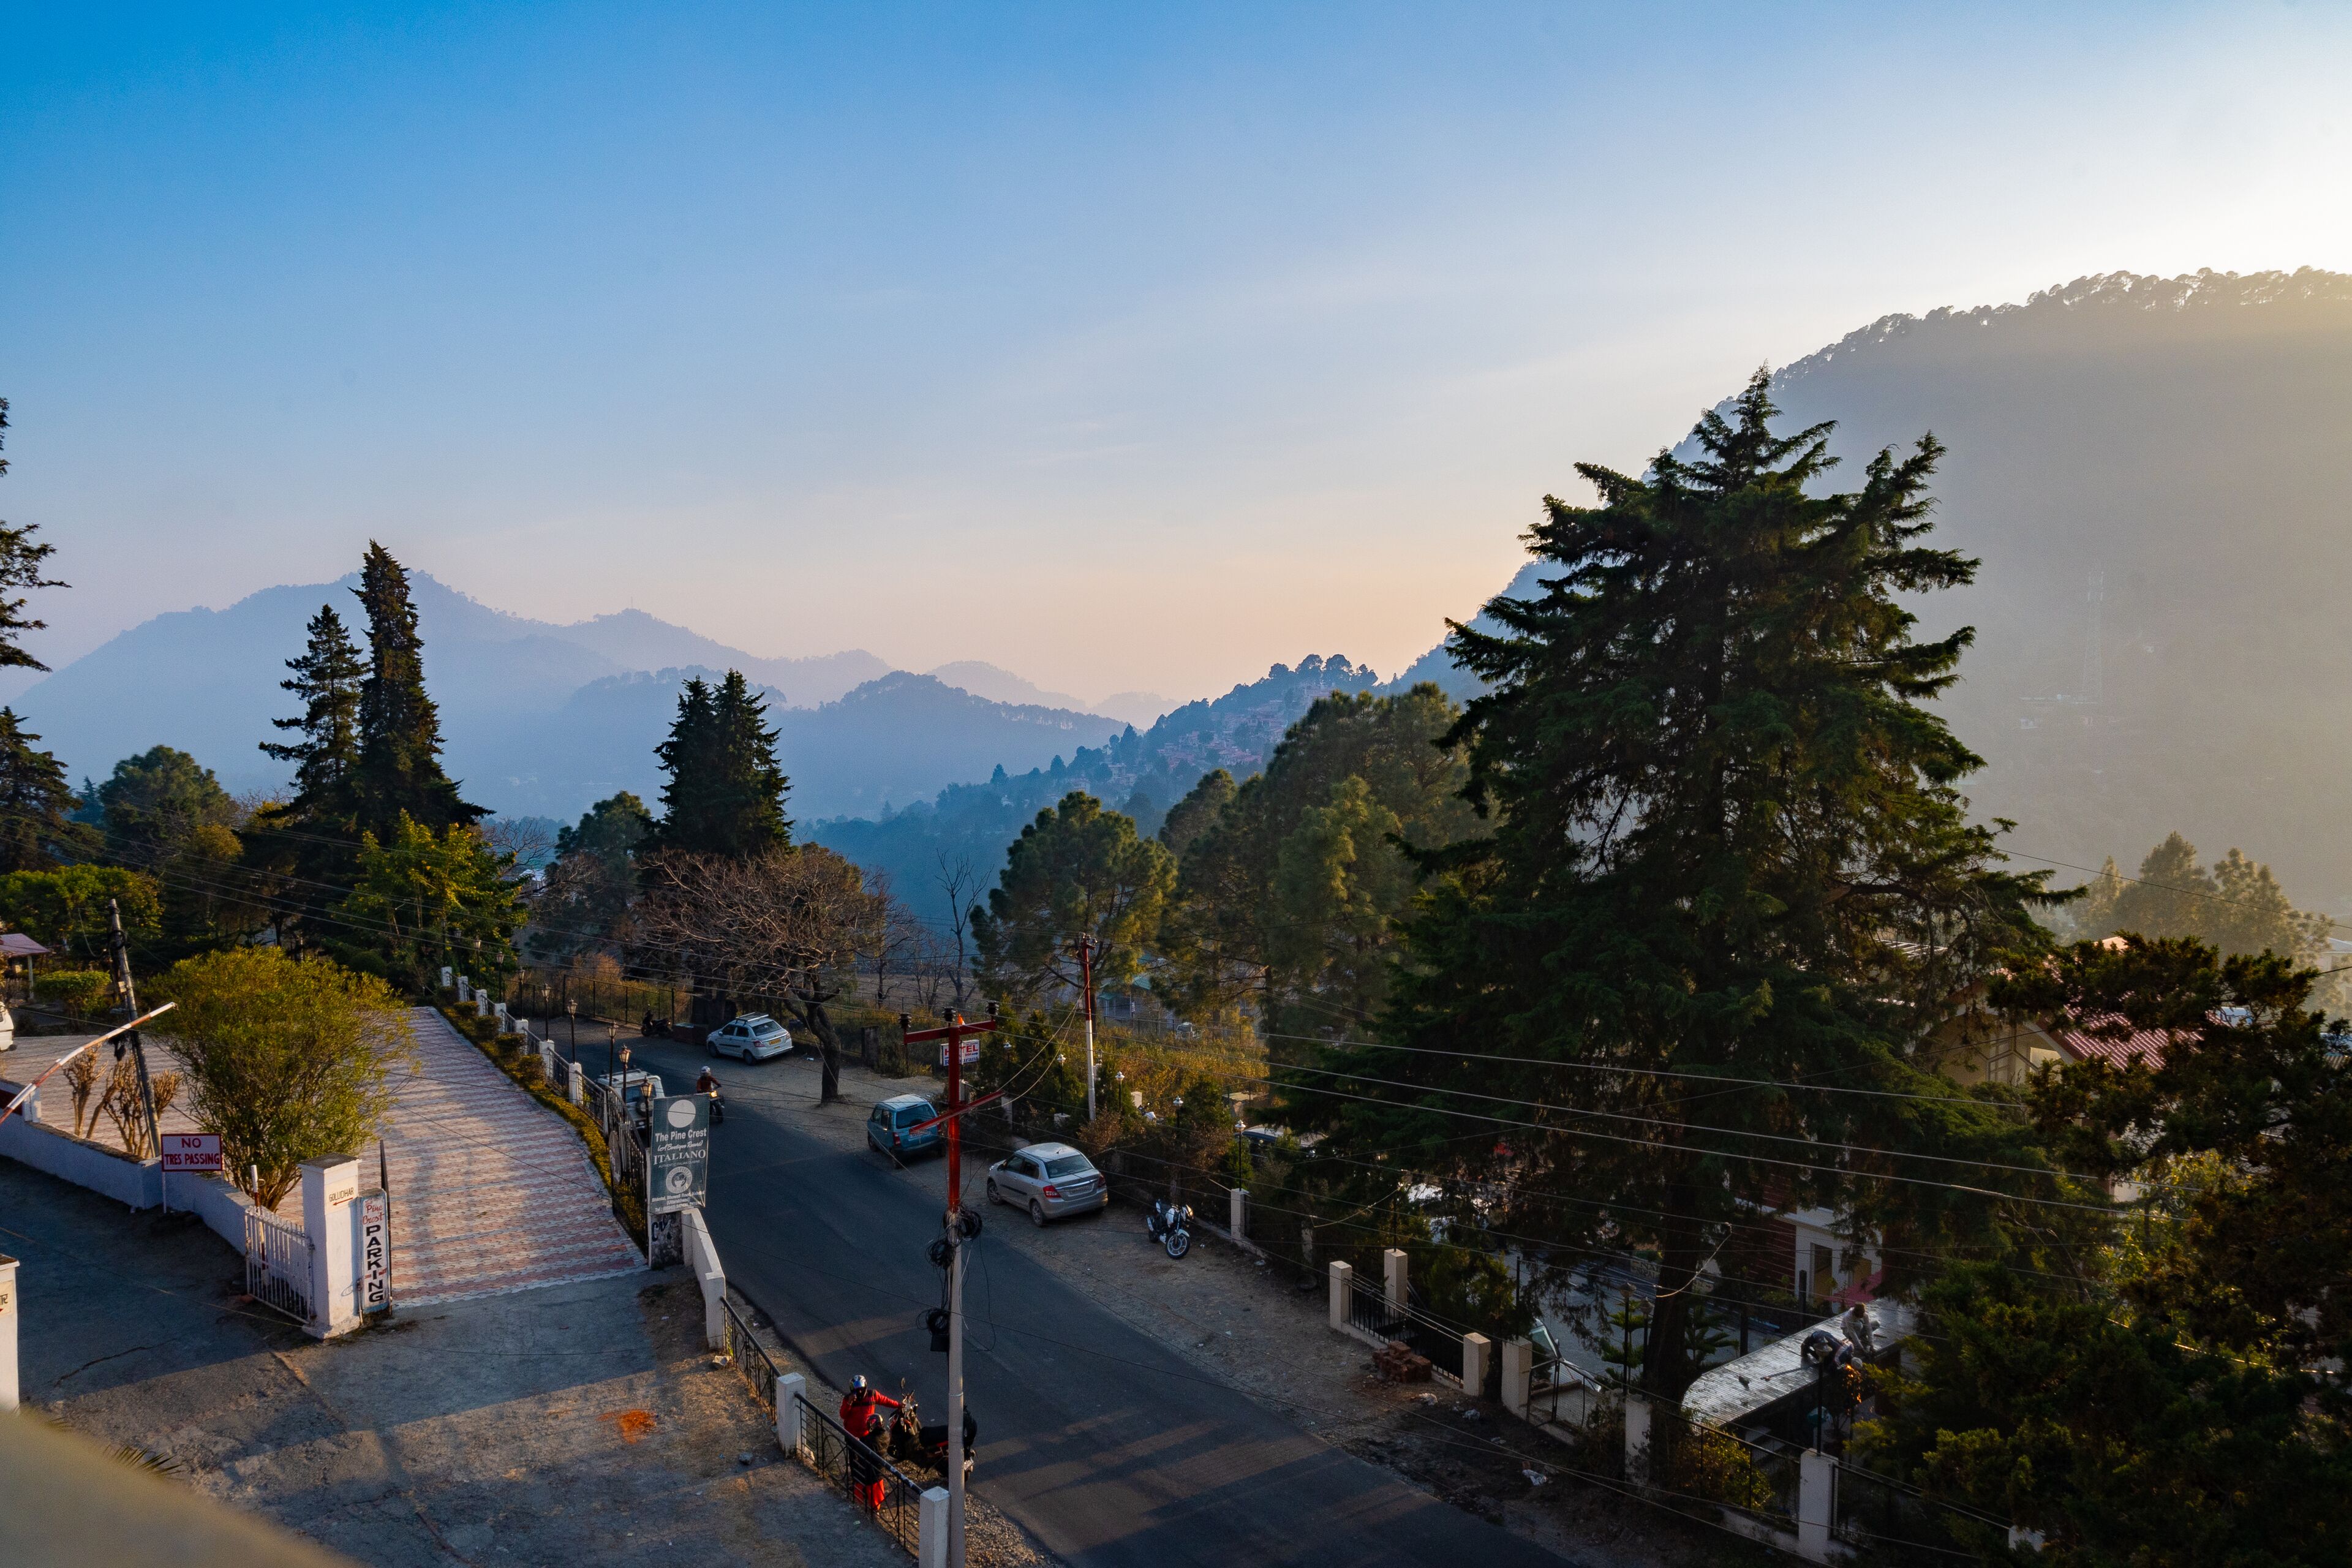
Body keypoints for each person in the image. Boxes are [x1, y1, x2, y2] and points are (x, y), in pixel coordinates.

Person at [840, 1375, 902, 1510]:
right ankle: (857, 1484)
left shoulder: (872, 1395)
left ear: (865, 1388)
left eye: (861, 1390)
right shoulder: (848, 1399)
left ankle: (864, 1487)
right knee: (854, 1462)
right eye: (856, 1390)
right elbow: (843, 1415)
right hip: (852, 1436)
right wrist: (850, 1402)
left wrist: (899, 1406)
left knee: (868, 1463)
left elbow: (885, 1401)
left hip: (867, 1437)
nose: (859, 1393)